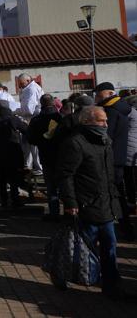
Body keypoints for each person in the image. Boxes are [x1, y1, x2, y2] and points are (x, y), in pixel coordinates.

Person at [56, 106, 127, 300]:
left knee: (109, 245)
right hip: (87, 204)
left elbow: (107, 173)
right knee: (82, 248)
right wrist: (71, 202)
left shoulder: (105, 141)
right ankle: (62, 273)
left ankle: (112, 286)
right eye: (101, 121)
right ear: (87, 122)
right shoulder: (75, 143)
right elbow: (65, 175)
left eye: (106, 120)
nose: (106, 124)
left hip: (105, 203)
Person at [95, 82, 135, 240]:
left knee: (116, 194)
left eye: (99, 94)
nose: (97, 97)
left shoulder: (112, 111)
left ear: (110, 93)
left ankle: (124, 227)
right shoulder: (122, 107)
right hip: (120, 155)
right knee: (119, 193)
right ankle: (125, 226)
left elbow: (106, 135)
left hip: (112, 158)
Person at [27, 94, 62, 220]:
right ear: (53, 103)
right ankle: (70, 213)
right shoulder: (61, 117)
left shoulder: (37, 120)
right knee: (65, 185)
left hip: (46, 156)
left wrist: (41, 141)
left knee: (51, 186)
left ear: (41, 104)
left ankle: (54, 213)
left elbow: (30, 138)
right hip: (63, 156)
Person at [0, 101, 28, 208]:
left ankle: (4, 201)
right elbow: (25, 130)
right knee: (14, 176)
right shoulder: (14, 119)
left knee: (1, 178)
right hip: (13, 151)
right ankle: (15, 199)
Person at [16, 73, 44, 175]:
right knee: (27, 143)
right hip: (29, 120)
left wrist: (16, 111)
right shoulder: (27, 89)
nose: (20, 85)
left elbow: (29, 110)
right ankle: (28, 165)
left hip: (34, 120)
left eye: (21, 83)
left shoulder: (31, 90)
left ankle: (39, 168)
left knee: (34, 145)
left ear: (28, 81)